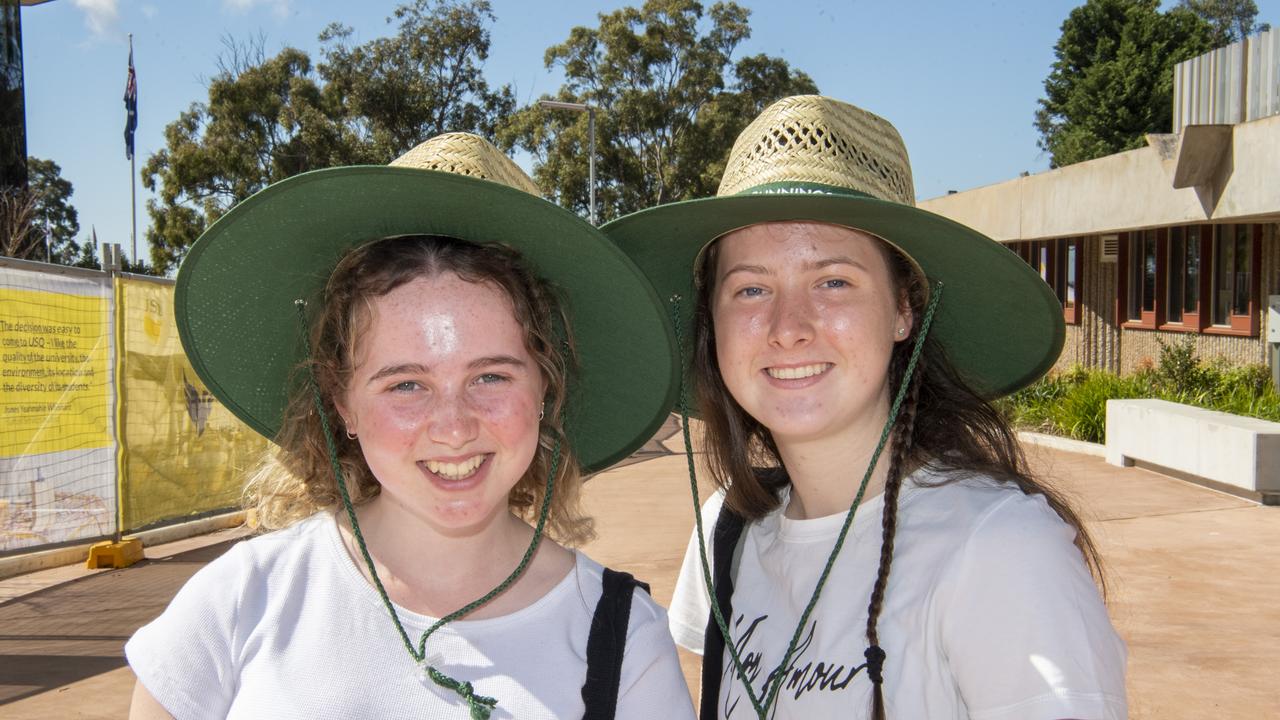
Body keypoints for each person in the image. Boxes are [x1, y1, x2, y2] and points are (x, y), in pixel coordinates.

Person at [125, 133, 693, 720]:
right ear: (340, 400)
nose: (452, 428)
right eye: (405, 384)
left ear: (545, 385)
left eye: (491, 377)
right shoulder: (242, 600)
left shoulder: (625, 641)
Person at [604, 96, 1127, 719]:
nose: (788, 327)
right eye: (750, 288)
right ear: (711, 323)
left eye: (833, 281)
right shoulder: (727, 533)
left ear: (904, 309)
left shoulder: (1000, 550)